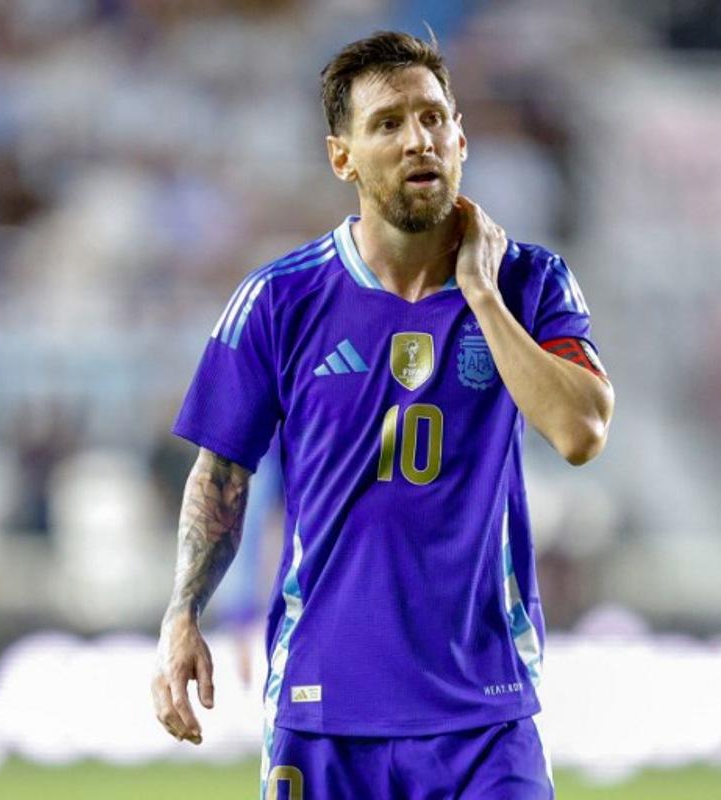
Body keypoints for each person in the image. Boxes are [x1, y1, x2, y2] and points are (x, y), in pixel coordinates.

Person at [151, 30, 614, 799]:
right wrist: (181, 616)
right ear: (344, 158)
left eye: (433, 118)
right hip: (324, 707)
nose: (417, 140)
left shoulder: (532, 283)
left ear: (461, 137)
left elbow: (581, 432)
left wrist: (482, 297)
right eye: (388, 124)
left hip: (484, 714)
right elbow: (221, 475)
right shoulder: (279, 300)